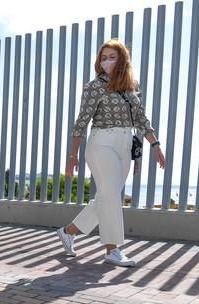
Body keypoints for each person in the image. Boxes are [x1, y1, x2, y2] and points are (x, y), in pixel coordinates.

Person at [58, 39, 165, 267]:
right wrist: (73, 155)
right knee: (112, 197)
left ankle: (69, 232)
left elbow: (141, 120)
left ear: (123, 60)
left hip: (124, 145)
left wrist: (155, 146)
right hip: (101, 143)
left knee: (107, 197)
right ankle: (112, 250)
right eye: (103, 57)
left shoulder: (132, 87)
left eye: (112, 57)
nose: (106, 61)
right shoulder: (94, 86)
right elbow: (82, 121)